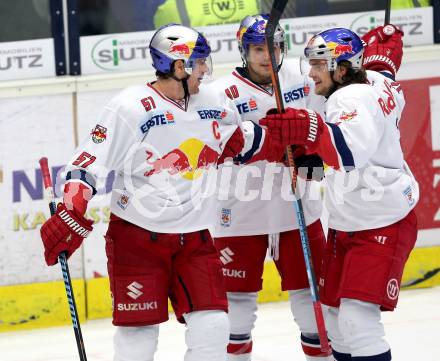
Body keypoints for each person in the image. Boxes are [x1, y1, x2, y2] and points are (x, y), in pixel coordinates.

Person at [39, 23, 280, 361]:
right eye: (198, 64)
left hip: (195, 238)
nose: (203, 72)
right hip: (137, 239)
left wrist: (288, 140)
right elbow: (87, 163)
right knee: (138, 338)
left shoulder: (212, 100)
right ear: (178, 66)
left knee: (213, 327)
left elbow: (237, 141)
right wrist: (72, 210)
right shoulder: (129, 106)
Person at [261, 25, 419, 361]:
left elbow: (348, 155)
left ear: (342, 69)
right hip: (352, 220)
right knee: (334, 323)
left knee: (357, 323)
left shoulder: (350, 98)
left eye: (319, 65)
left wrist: (307, 127)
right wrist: (301, 161)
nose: (311, 72)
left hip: (381, 222)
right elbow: (382, 70)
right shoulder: (375, 81)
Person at [210, 14, 331, 361]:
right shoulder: (220, 93)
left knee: (314, 310)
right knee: (236, 316)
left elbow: (324, 123)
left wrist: (313, 157)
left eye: (274, 47)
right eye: (258, 48)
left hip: (299, 213)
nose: (268, 55)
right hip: (240, 215)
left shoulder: (302, 77)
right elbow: (218, 150)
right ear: (243, 51)